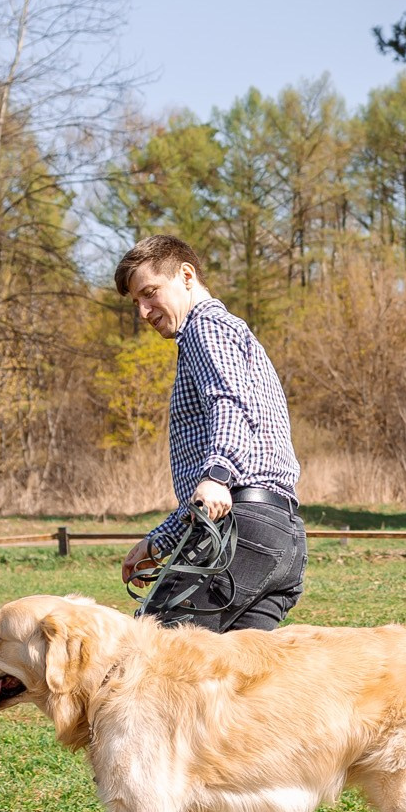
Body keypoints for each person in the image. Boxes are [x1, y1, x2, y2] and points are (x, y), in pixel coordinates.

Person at [113, 234, 308, 637]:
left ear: (186, 275)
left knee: (153, 652)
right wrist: (158, 542)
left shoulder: (207, 328)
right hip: (280, 535)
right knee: (238, 690)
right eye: (137, 303)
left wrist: (217, 473)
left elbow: (230, 405)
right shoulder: (227, 333)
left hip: (243, 532)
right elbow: (218, 494)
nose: (145, 312)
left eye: (150, 293)